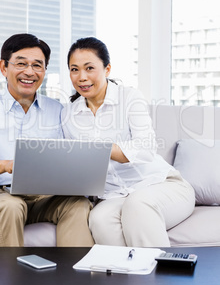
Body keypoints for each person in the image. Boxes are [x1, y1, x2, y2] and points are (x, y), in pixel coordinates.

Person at [0, 33, 94, 247]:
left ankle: (75, 277)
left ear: (45, 71)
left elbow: (70, 154)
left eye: (38, 65)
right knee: (10, 206)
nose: (29, 72)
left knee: (77, 204)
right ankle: (11, 280)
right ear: (4, 67)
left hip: (42, 197)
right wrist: (6, 165)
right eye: (21, 64)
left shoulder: (58, 110)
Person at [61, 37, 195, 247]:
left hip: (161, 185)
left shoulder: (130, 97)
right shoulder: (68, 114)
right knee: (99, 219)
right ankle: (124, 277)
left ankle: (156, 277)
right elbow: (75, 161)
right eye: (74, 69)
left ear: (107, 69)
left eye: (89, 68)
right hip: (114, 196)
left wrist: (99, 149)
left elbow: (146, 148)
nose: (82, 77)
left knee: (138, 204)